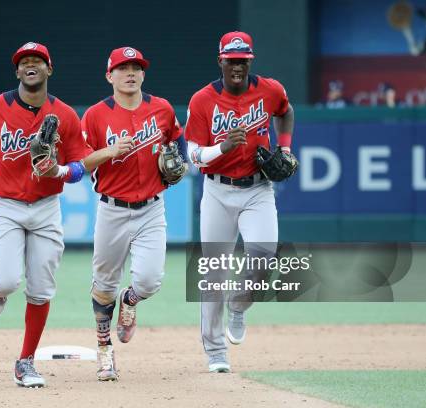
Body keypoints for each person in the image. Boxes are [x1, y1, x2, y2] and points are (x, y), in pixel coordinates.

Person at [0, 41, 132, 388]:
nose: (30, 65)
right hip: (7, 206)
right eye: (24, 61)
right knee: (6, 281)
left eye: (37, 60)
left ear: (49, 69)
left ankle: (25, 362)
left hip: (45, 209)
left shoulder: (65, 115)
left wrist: (59, 171)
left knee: (40, 290)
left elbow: (79, 167)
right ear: (17, 71)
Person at [184, 31, 295, 373]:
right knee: (215, 272)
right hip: (217, 190)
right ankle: (216, 350)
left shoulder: (270, 90)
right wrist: (223, 148)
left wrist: (286, 146)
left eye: (243, 61)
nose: (237, 66)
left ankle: (239, 307)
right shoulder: (202, 100)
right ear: (220, 61)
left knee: (264, 254)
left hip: (257, 188)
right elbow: (192, 156)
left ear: (250, 61)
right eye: (231, 61)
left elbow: (285, 111)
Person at [81, 46, 187, 381]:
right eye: (123, 68)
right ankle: (104, 350)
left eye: (136, 68)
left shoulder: (162, 109)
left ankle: (130, 300)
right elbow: (81, 162)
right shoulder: (96, 115)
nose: (131, 73)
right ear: (109, 75)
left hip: (151, 208)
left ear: (143, 74)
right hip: (112, 209)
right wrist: (109, 151)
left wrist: (178, 162)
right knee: (103, 286)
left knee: (149, 281)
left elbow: (178, 142)